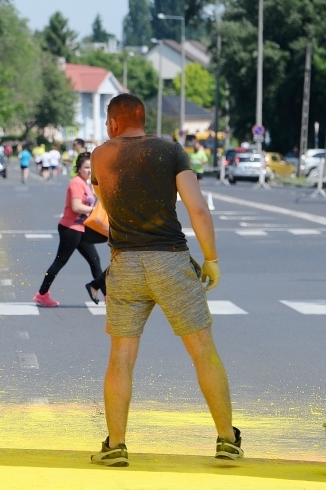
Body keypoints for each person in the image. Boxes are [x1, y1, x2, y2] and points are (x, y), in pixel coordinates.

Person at [89, 94, 242, 467]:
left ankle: (117, 446)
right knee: (202, 350)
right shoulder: (170, 150)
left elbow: (101, 210)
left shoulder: (100, 156)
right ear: (144, 118)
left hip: (124, 264)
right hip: (171, 262)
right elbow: (198, 209)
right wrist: (211, 259)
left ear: (112, 123)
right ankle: (226, 440)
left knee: (121, 358)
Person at [33, 152, 103, 307]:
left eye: (92, 168)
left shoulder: (86, 183)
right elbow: (76, 207)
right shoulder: (76, 183)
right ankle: (42, 294)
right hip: (70, 229)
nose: (89, 171)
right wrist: (94, 210)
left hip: (81, 229)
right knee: (60, 262)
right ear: (79, 168)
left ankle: (108, 297)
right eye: (86, 167)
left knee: (95, 261)